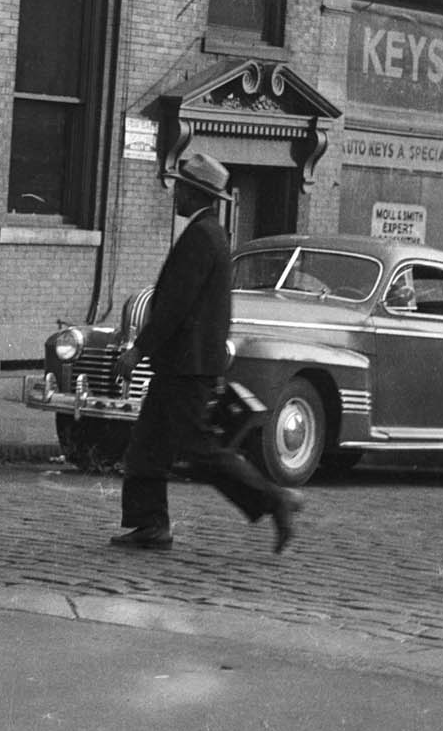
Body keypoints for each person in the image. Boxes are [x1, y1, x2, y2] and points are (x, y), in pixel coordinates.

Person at [111, 151, 301, 554]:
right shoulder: (208, 234)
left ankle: (275, 499)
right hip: (183, 365)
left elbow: (174, 307)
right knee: (147, 444)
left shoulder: (201, 237)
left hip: (187, 367)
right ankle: (150, 526)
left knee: (198, 450)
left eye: (182, 187)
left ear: (196, 194)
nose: (176, 193)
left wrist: (137, 351)